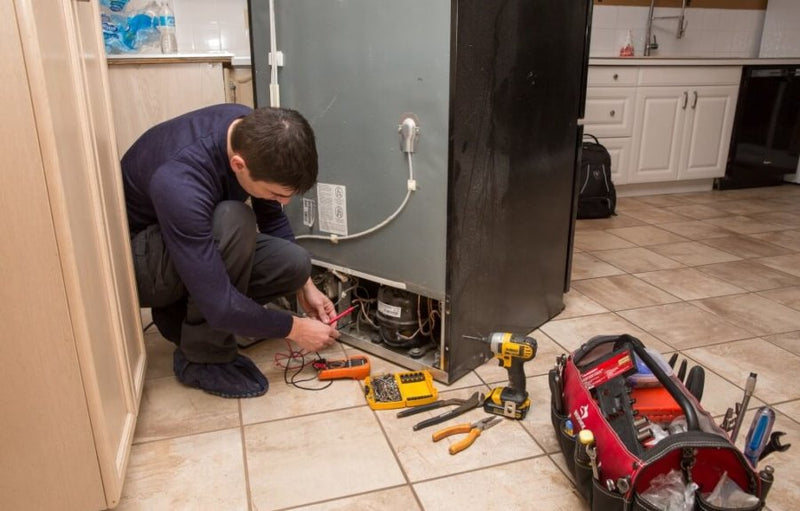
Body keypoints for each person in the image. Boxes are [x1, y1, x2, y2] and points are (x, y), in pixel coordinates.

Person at [122, 104, 340, 398]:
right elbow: (219, 304)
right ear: (239, 164)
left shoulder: (250, 132)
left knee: (295, 263)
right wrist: (294, 328)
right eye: (277, 194)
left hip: (186, 246)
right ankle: (202, 358)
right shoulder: (181, 180)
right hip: (140, 265)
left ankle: (186, 322)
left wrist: (307, 286)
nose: (283, 203)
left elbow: (273, 218)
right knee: (235, 219)